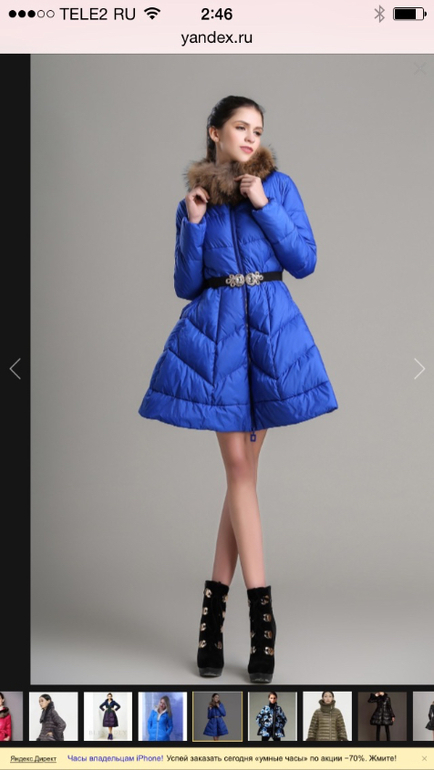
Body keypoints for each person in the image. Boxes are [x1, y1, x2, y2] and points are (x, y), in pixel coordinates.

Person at [139, 95, 338, 683]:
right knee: (239, 472)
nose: (250, 137)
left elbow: (304, 261)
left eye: (257, 129)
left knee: (240, 478)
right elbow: (185, 283)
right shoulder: (196, 200)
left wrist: (264, 204)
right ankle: (263, 625)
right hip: (220, 342)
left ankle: (211, 622)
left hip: (270, 337)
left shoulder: (278, 186)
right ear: (214, 133)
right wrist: (194, 223)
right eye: (240, 127)